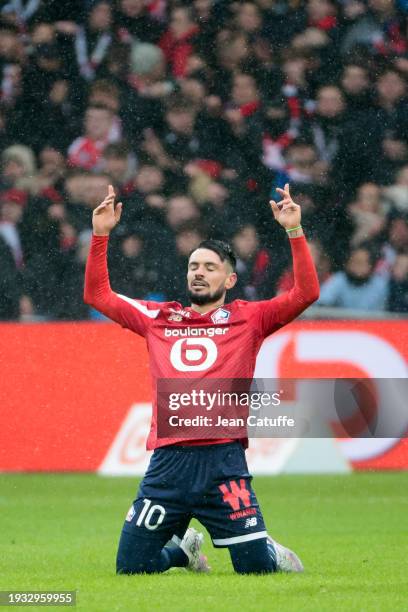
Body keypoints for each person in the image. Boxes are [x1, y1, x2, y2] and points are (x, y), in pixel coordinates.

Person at [83, 182, 319, 575]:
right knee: (132, 567)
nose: (199, 273)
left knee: (255, 569)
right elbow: (98, 295)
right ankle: (184, 552)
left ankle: (268, 550)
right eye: (194, 266)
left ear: (229, 281)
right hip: (168, 464)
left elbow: (305, 293)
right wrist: (100, 234)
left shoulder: (250, 317)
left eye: (210, 268)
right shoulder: (159, 318)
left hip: (223, 461)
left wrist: (294, 231)